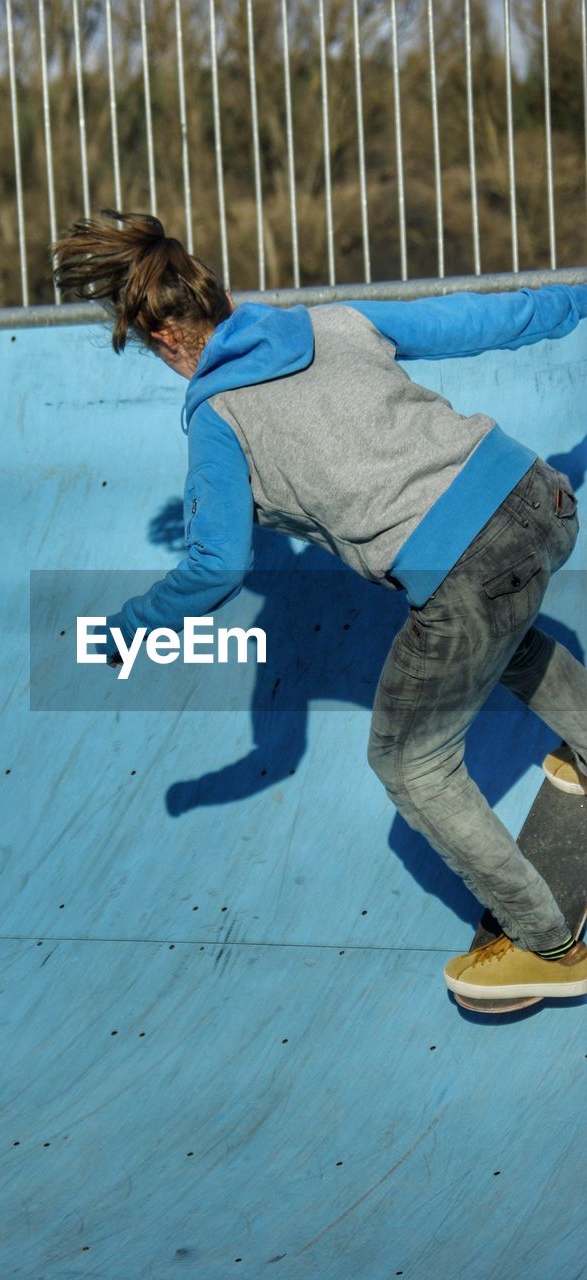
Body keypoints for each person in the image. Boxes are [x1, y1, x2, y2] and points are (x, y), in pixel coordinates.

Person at [52, 208, 587, 1002]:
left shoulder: (215, 419)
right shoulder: (332, 322)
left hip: (465, 565)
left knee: (410, 762)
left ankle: (549, 948)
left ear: (166, 341)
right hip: (539, 498)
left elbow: (213, 563)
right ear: (217, 294)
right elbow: (487, 318)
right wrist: (576, 300)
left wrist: (130, 631)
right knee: (494, 631)